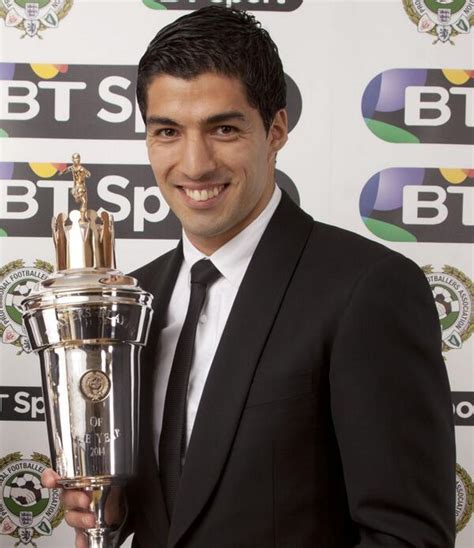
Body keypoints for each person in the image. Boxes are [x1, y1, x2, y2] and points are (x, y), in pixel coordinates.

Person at [43, 6, 456, 547]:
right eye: (168, 131)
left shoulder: (368, 288)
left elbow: (408, 539)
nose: (194, 164)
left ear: (276, 129)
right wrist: (114, 512)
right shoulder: (131, 301)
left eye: (224, 129)